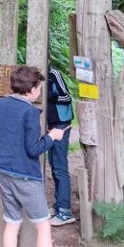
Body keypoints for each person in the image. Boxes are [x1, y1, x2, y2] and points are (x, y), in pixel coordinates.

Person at [0, 66, 65, 247]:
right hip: (25, 177)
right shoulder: (30, 112)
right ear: (31, 90)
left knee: (12, 223)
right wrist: (52, 136)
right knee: (43, 226)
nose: (39, 93)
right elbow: (33, 149)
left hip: (3, 172)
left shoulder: (1, 104)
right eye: (39, 89)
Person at [46, 66, 76, 226]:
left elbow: (66, 97)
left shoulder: (53, 74)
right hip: (50, 124)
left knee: (60, 167)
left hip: (61, 124)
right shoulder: (36, 75)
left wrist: (47, 95)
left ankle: (65, 211)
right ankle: (58, 206)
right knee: (53, 165)